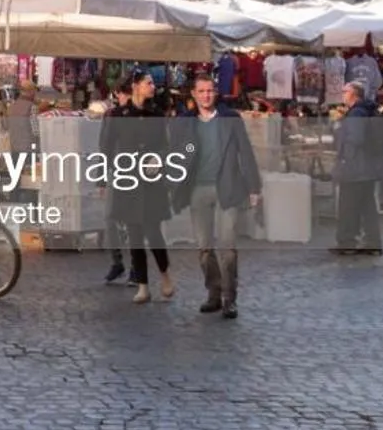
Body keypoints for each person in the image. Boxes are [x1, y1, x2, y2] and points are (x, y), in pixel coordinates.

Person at [170, 72, 263, 319]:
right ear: (193, 94)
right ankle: (213, 292)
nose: (206, 95)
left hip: (227, 188)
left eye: (210, 90)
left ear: (216, 92)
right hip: (197, 189)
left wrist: (255, 187)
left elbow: (246, 152)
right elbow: (180, 151)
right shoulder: (185, 121)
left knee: (228, 246)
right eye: (201, 91)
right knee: (204, 247)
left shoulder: (230, 119)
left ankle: (229, 298)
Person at [105, 72, 175, 303]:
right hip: (128, 181)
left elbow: (165, 145)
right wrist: (103, 178)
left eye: (153, 83)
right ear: (135, 86)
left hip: (151, 181)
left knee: (153, 232)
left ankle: (165, 274)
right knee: (134, 234)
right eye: (149, 83)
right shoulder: (117, 115)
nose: (153, 87)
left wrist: (159, 159)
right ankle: (143, 285)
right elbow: (105, 148)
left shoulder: (156, 114)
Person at [331, 81, 383, 256]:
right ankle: (373, 243)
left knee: (348, 205)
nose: (343, 94)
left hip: (355, 167)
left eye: (345, 91)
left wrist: (345, 159)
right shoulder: (369, 110)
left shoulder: (357, 113)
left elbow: (355, 139)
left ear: (354, 94)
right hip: (369, 167)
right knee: (367, 206)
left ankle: (347, 242)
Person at [99, 80, 135, 284]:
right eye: (124, 94)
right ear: (118, 94)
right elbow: (104, 147)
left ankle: (136, 268)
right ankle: (117, 262)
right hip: (116, 172)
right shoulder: (110, 116)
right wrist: (102, 179)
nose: (126, 98)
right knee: (110, 218)